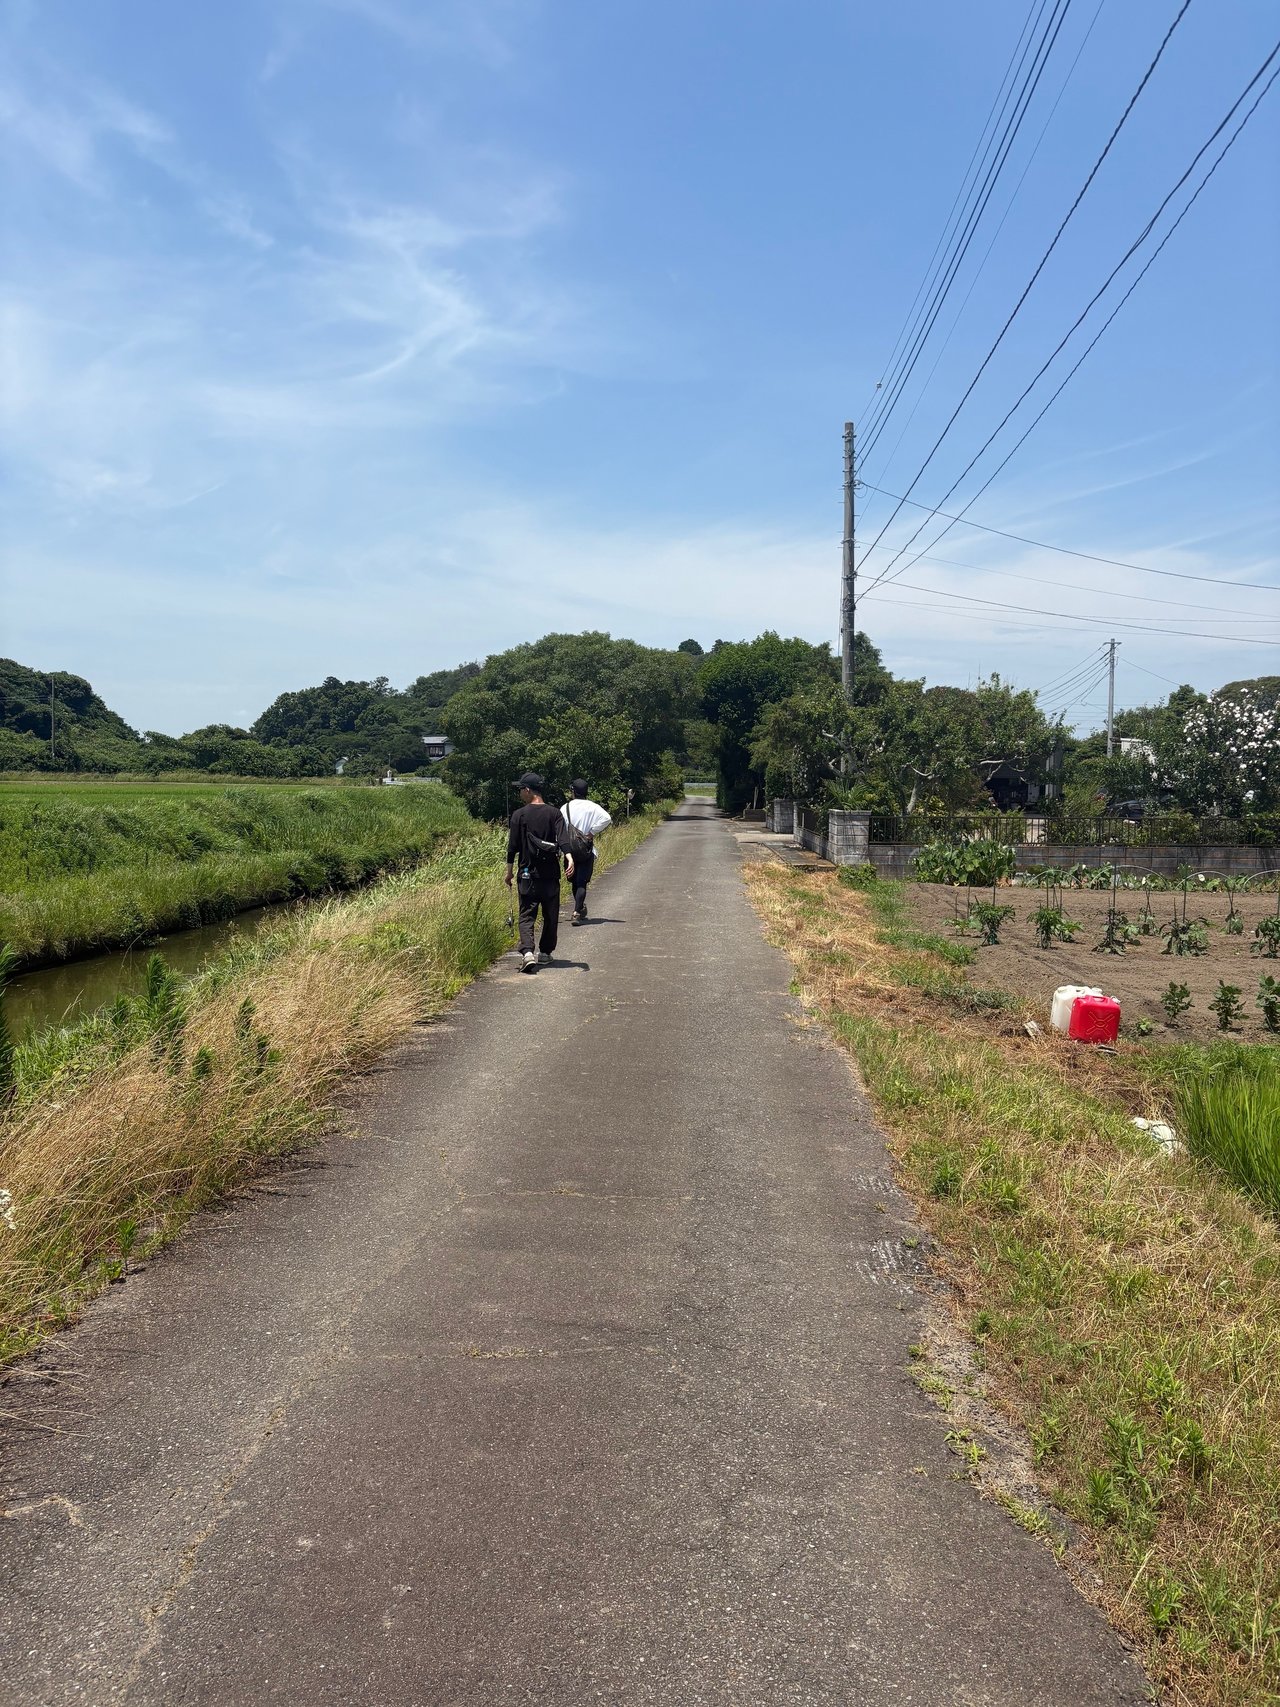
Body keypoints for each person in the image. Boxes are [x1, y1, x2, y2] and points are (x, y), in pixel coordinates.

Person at [506, 772, 574, 973]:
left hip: (527, 874)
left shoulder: (519, 815)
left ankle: (527, 953)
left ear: (528, 790)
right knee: (550, 914)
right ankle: (545, 952)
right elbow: (563, 838)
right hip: (550, 874)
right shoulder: (554, 813)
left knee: (527, 914)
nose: (520, 793)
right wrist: (569, 857)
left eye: (521, 789)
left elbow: (512, 847)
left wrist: (509, 872)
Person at [561, 777, 612, 925]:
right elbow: (607, 818)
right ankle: (577, 911)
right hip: (585, 848)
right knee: (582, 881)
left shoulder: (565, 807)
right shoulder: (593, 807)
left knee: (574, 881)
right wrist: (591, 832)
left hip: (569, 850)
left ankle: (578, 908)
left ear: (573, 791)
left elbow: (560, 827)